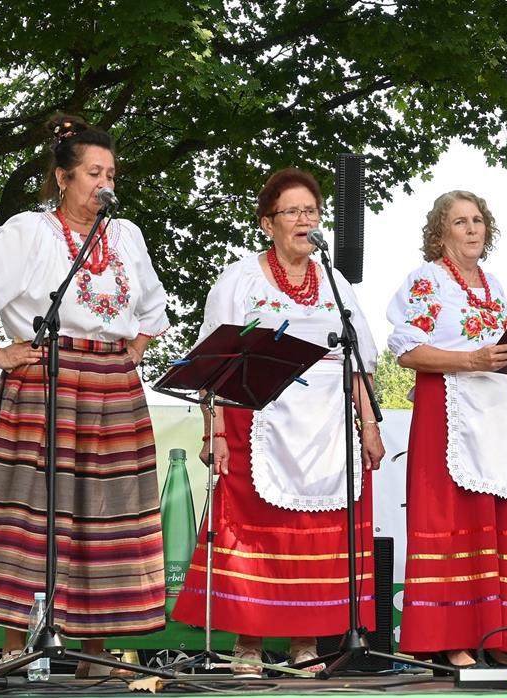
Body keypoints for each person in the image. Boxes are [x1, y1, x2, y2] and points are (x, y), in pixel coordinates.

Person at [0, 115, 170, 677]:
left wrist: (131, 353)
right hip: (45, 380)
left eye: (111, 174)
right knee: (30, 514)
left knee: (107, 516)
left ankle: (97, 654)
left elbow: (154, 308)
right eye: (93, 172)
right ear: (63, 178)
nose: (105, 183)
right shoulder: (30, 231)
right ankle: (16, 649)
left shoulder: (127, 235)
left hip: (113, 391)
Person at [171, 168, 384, 675]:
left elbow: (360, 360)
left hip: (329, 428)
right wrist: (214, 430)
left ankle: (304, 643)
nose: (305, 220)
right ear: (268, 223)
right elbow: (215, 360)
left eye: (311, 211)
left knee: (317, 534)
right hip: (256, 421)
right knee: (259, 536)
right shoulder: (239, 279)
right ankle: (248, 643)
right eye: (293, 211)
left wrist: (371, 426)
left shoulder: (335, 283)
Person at [386, 191, 507, 667]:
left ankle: (500, 637)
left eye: (478, 220)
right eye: (460, 221)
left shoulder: (494, 284)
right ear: (440, 231)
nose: (472, 229)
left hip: (495, 407)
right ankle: (449, 637)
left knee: (494, 514)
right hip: (447, 404)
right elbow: (407, 350)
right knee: (450, 518)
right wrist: (471, 360)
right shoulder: (427, 280)